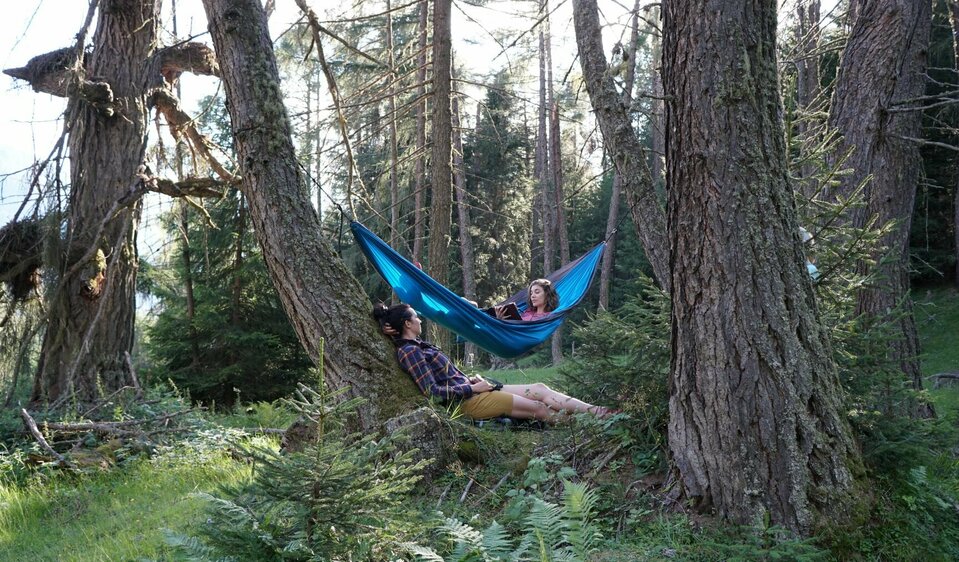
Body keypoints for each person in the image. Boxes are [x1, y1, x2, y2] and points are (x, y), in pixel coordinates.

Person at [373, 303, 614, 421]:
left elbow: (446, 377)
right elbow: (432, 393)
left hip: (474, 389)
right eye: (416, 317)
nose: (420, 320)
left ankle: (598, 412)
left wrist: (469, 380)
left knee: (539, 388)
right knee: (539, 408)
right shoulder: (410, 352)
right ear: (407, 323)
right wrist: (472, 389)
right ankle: (586, 427)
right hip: (467, 403)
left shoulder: (420, 345)